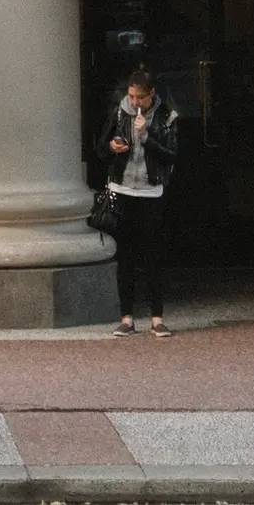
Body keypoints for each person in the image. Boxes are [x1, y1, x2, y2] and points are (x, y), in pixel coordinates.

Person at [104, 65, 178, 338]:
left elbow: (171, 154)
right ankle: (127, 317)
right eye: (132, 96)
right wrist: (113, 147)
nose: (135, 102)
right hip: (122, 187)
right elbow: (100, 147)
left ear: (152, 94)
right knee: (125, 255)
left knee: (153, 255)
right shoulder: (119, 112)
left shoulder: (166, 116)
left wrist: (147, 137)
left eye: (141, 98)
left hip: (150, 190)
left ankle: (157, 318)